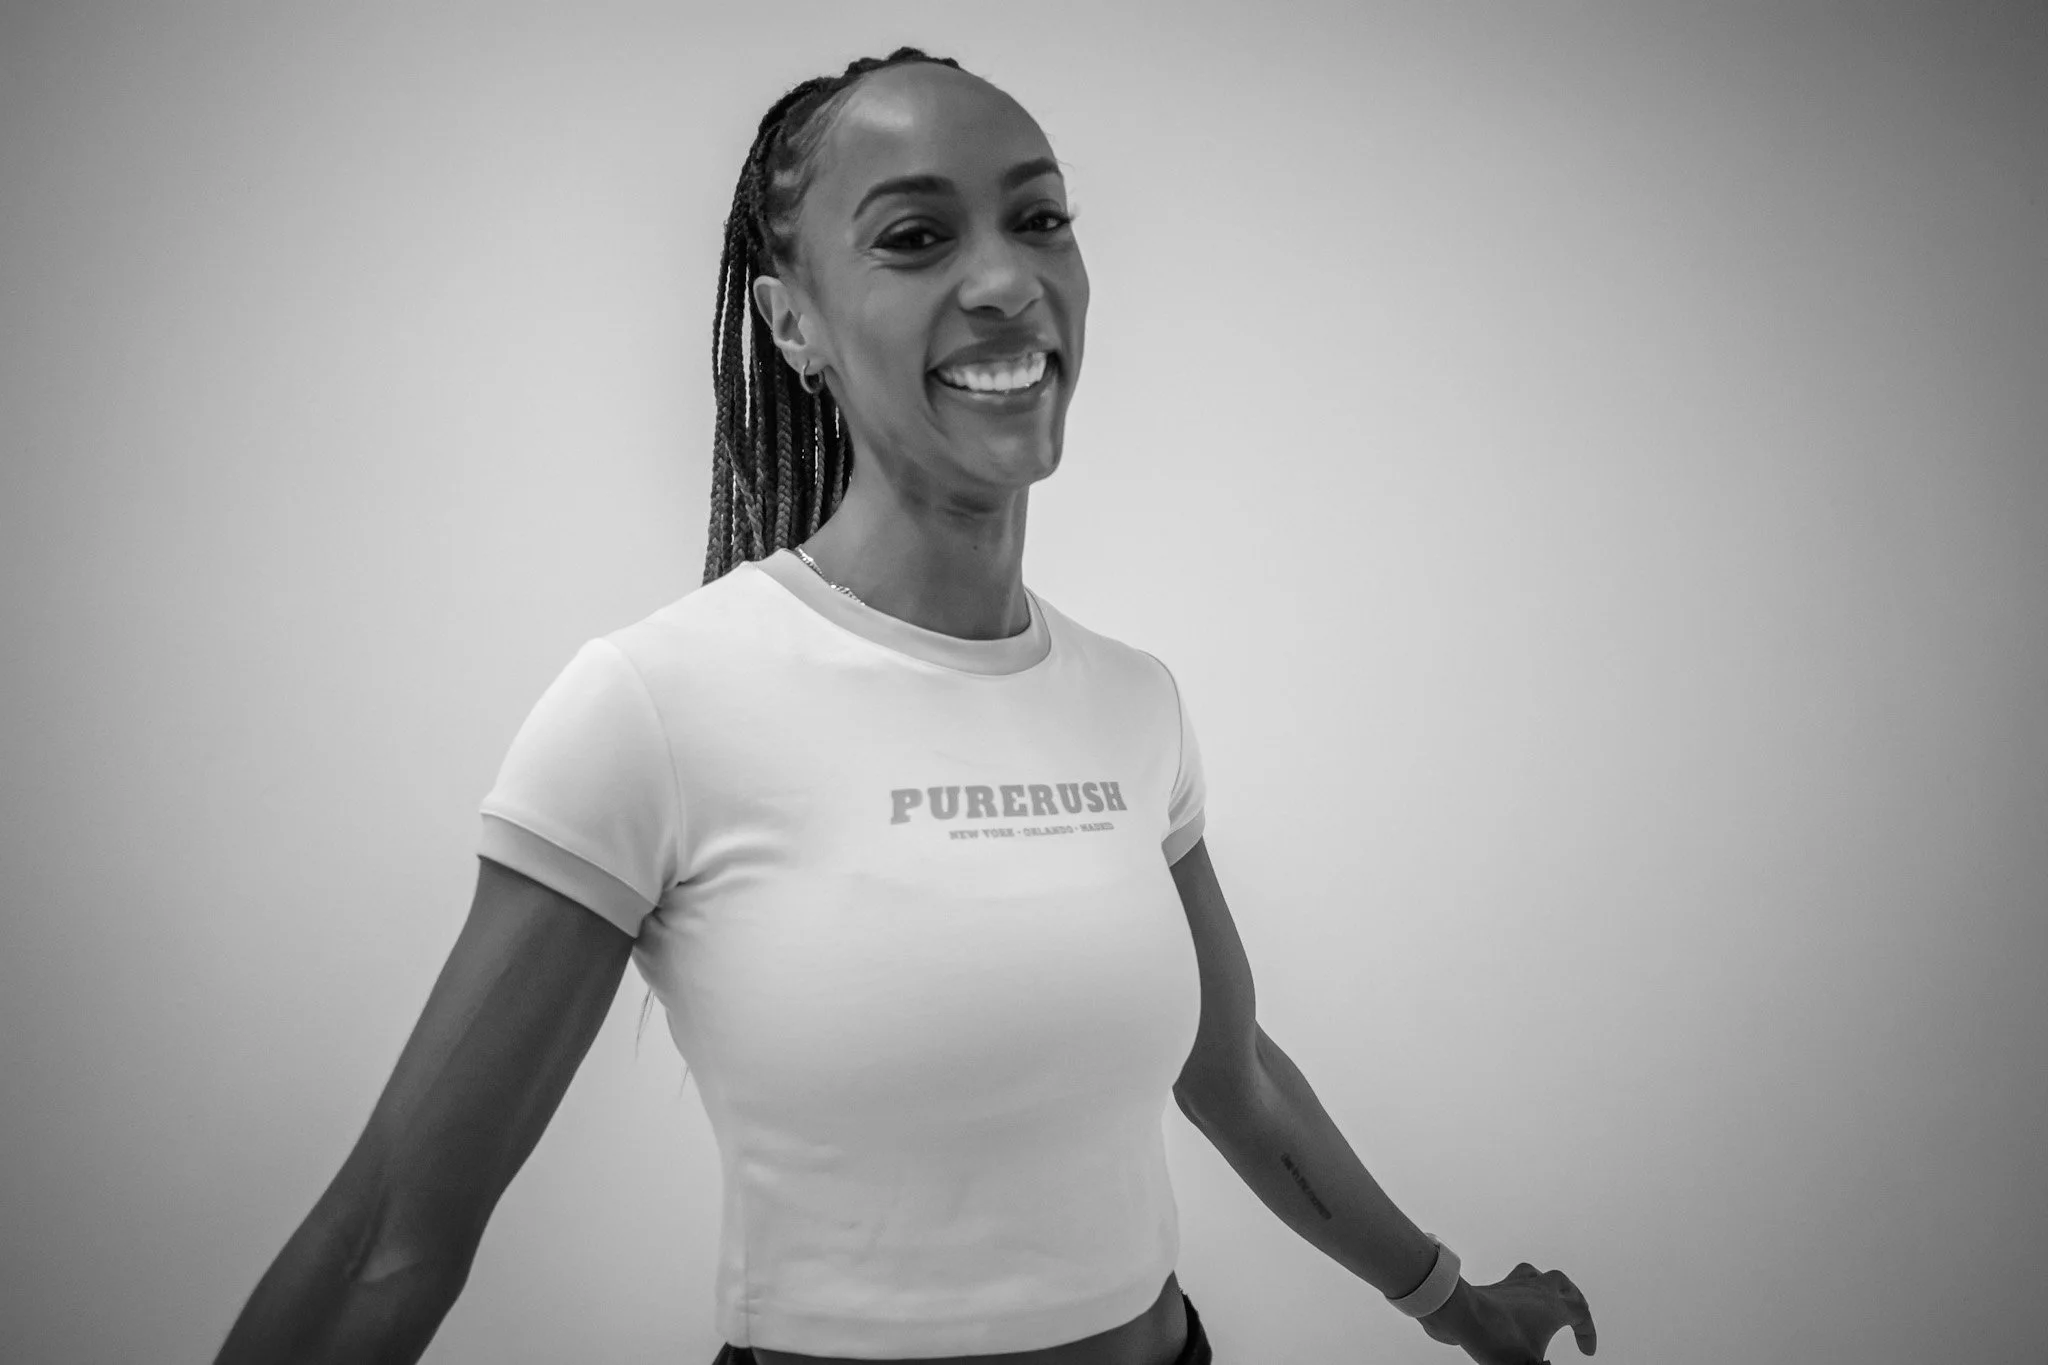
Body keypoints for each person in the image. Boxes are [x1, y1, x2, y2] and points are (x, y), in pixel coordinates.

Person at [211, 46, 1598, 1365]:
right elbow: (388, 1239)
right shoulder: (654, 707)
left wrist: (1450, 1301)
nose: (1007, 280)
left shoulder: (1133, 704)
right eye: (917, 237)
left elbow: (1232, 1075)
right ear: (790, 322)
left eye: (1040, 219)